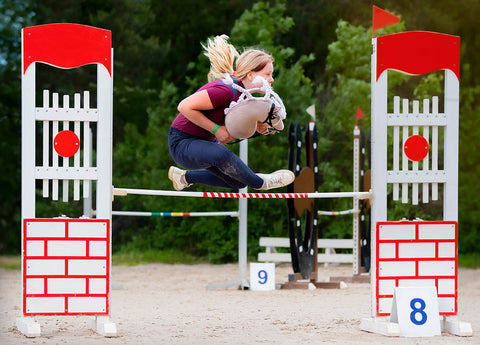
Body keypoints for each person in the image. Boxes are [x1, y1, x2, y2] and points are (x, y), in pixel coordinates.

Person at [168, 34, 295, 191]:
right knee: (222, 154)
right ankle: (261, 183)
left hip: (204, 143)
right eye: (267, 74)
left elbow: (233, 125)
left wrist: (257, 127)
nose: (271, 80)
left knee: (238, 181)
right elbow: (184, 106)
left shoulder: (244, 97)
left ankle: (184, 178)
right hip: (181, 143)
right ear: (250, 74)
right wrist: (216, 130)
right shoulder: (227, 90)